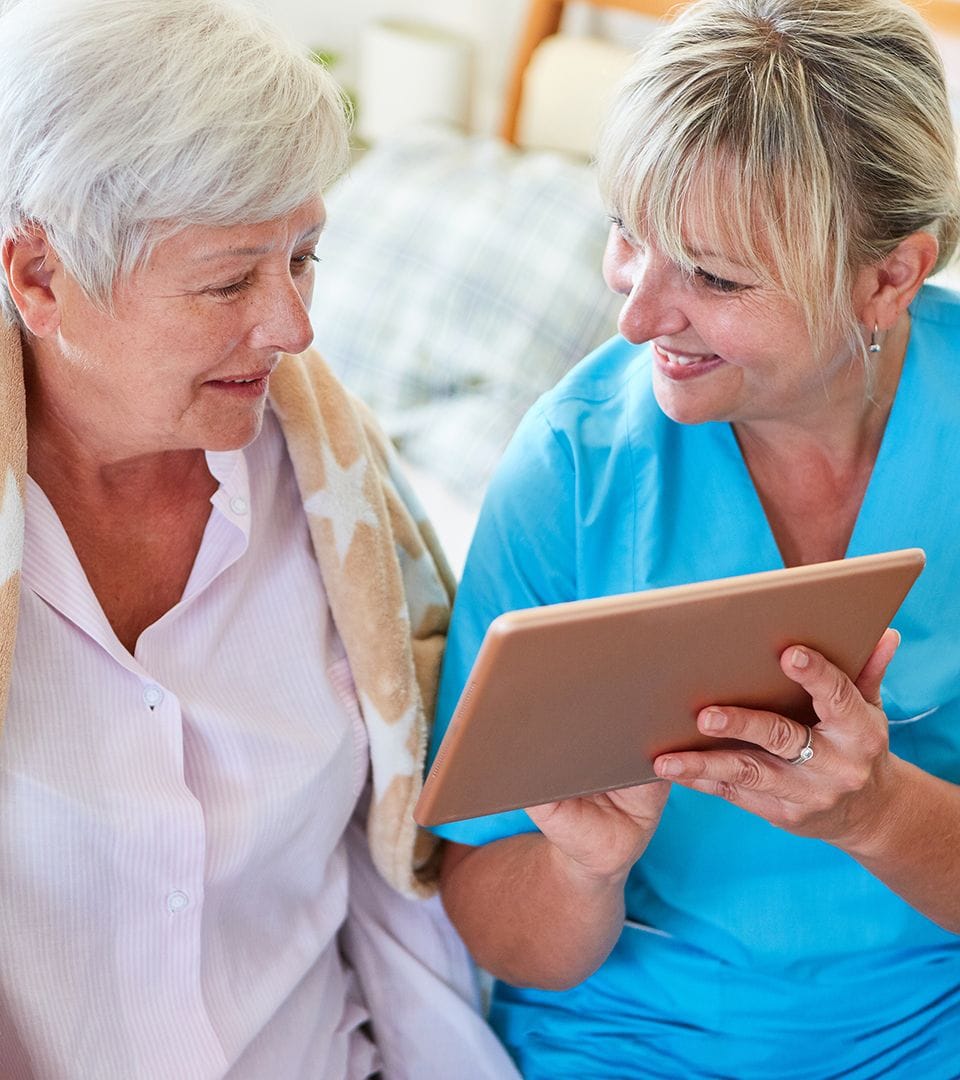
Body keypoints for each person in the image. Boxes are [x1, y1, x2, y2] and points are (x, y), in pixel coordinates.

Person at [428, 0, 960, 1075]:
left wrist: (879, 811)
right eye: (629, 235)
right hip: (633, 1039)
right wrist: (583, 870)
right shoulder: (572, 470)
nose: (635, 315)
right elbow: (491, 918)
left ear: (891, 277)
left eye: (714, 278)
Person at [0, 1, 520, 1077]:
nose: (293, 328)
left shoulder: (334, 486)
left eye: (307, 257)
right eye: (230, 280)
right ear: (40, 279)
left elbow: (405, 858)